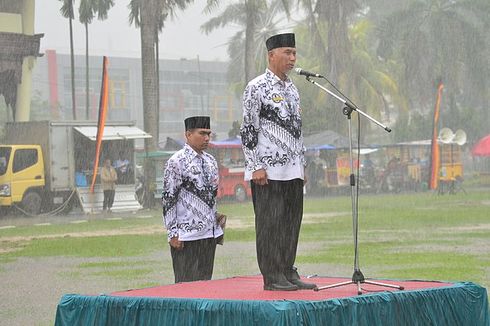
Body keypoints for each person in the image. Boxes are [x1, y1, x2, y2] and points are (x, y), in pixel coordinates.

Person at [240, 32, 316, 291]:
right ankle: (272, 276)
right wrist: (255, 166)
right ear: (272, 55)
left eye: (295, 53)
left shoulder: (293, 89)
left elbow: (298, 129)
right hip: (268, 170)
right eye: (288, 53)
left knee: (291, 222)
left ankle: (287, 269)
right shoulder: (256, 87)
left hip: (292, 168)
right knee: (270, 224)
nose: (293, 58)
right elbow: (248, 129)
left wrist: (301, 163)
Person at [162, 116, 226, 283]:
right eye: (202, 133)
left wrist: (216, 221)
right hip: (186, 237)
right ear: (188, 135)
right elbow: (169, 198)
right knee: (186, 287)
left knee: (205, 284)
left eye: (209, 134)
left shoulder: (211, 161)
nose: (206, 138)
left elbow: (212, 196)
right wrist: (173, 233)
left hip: (208, 236)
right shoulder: (176, 162)